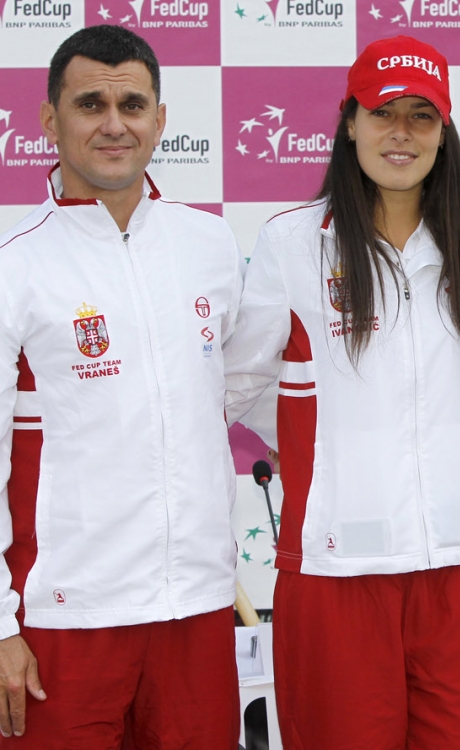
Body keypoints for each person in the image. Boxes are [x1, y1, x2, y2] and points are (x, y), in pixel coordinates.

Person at [225, 35, 460, 749]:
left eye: (421, 116)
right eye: (383, 113)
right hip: (338, 570)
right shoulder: (293, 244)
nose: (401, 133)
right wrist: (320, 454)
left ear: (444, 133)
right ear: (350, 123)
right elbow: (236, 387)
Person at [0, 24, 242, 749]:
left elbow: (247, 389)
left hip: (195, 610)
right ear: (50, 120)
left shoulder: (210, 246)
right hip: (65, 619)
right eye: (90, 104)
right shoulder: (15, 265)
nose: (114, 124)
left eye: (132, 105)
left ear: (160, 119)